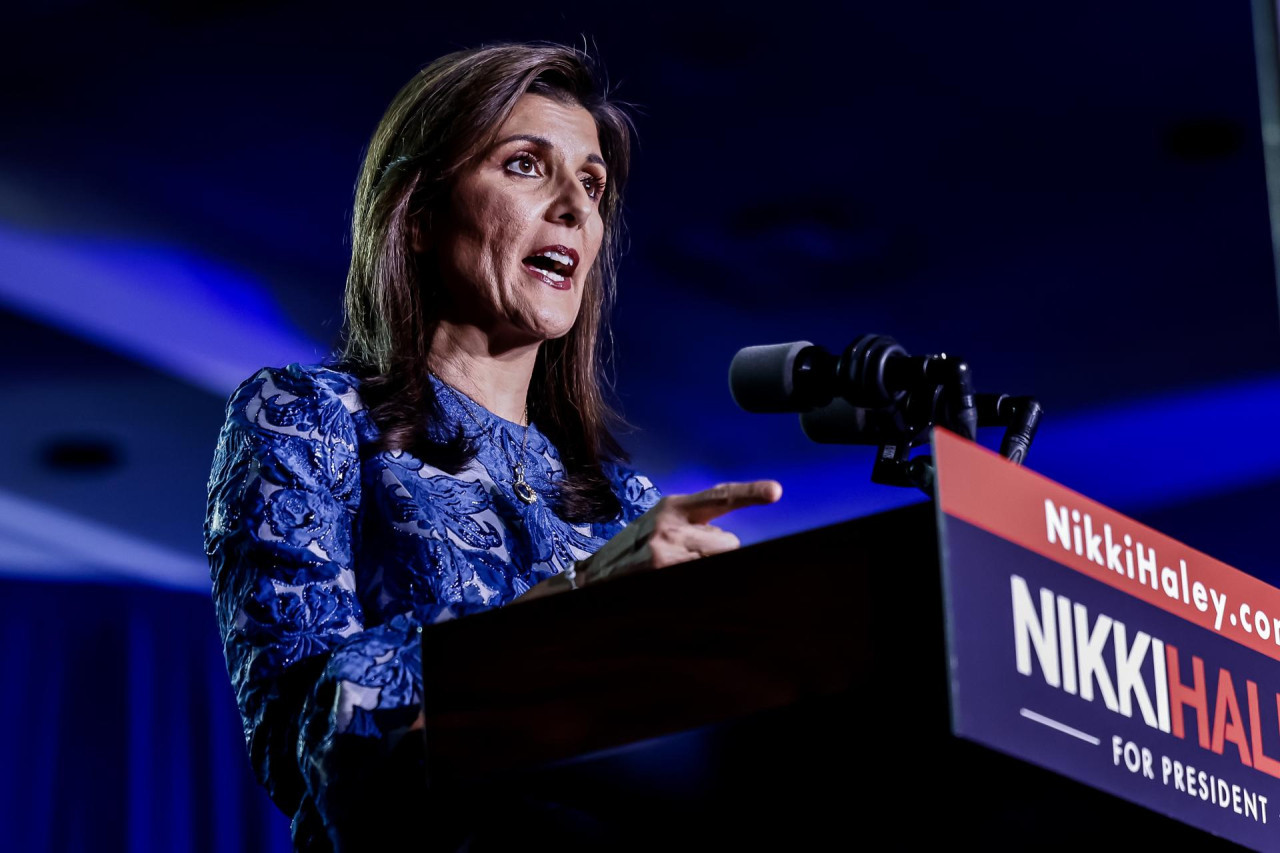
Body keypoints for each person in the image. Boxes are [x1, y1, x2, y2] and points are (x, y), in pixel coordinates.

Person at [204, 42, 782, 851]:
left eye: (592, 184)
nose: (576, 208)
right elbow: (313, 737)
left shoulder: (627, 505)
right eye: (524, 166)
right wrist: (570, 603)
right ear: (419, 214)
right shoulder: (307, 416)